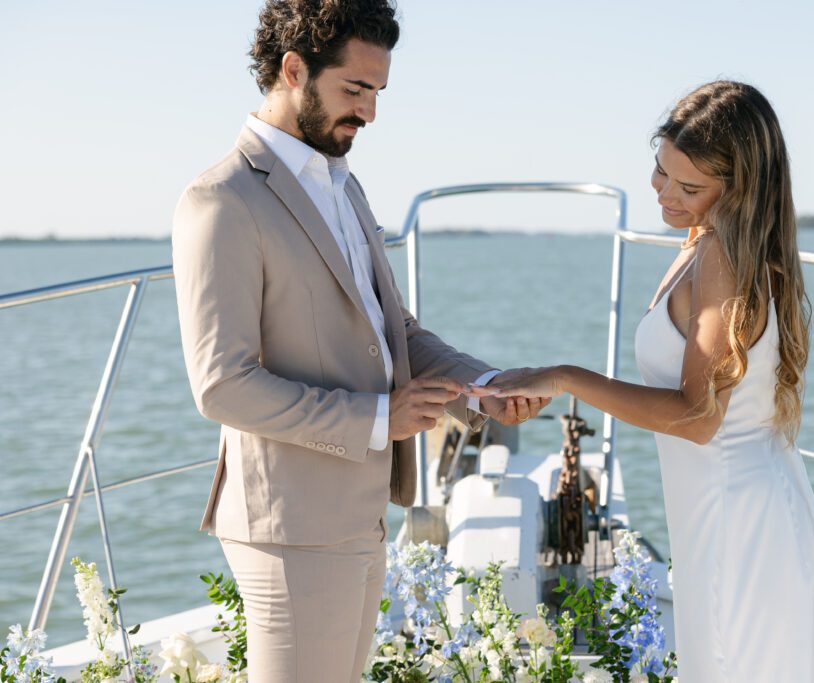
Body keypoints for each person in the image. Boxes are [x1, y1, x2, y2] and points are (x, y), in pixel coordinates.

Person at [171, 1, 547, 679]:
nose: (370, 112)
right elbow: (221, 383)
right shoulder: (220, 200)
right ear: (293, 70)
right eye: (354, 89)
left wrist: (484, 389)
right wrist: (381, 418)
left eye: (377, 92)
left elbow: (391, 332)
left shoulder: (343, 186)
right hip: (290, 526)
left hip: (358, 511)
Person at [479, 81, 814, 681]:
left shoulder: (722, 256)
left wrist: (564, 377)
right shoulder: (707, 243)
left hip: (738, 526)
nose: (664, 192)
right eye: (661, 171)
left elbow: (696, 416)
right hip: (733, 510)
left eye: (689, 187)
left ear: (739, 190)